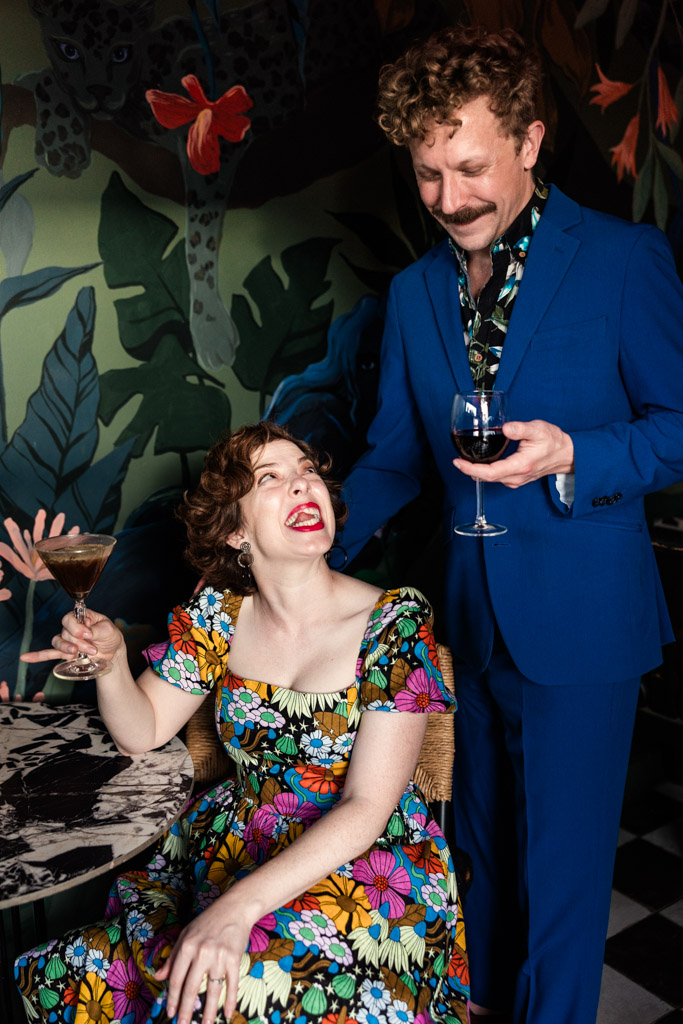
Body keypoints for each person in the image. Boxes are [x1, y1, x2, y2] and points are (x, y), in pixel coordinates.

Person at [339, 24, 683, 1024]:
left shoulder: (623, 261)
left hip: (581, 621)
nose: (449, 199)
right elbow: (396, 456)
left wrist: (575, 452)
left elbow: (677, 426)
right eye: (427, 174)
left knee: (561, 875)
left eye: (471, 167)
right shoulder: (410, 295)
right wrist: (311, 533)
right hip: (463, 621)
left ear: (529, 142)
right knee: (474, 860)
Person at [15, 422, 469, 1024]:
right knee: (75, 969)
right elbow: (141, 729)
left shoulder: (395, 621)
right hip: (239, 841)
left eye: (309, 473)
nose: (304, 487)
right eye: (272, 479)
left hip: (368, 866)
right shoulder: (219, 615)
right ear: (236, 530)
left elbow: (366, 806)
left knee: (230, 987)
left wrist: (236, 910)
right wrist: (112, 663)